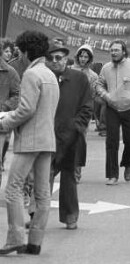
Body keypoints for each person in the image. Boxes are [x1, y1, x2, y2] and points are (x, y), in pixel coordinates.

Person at [0, 31, 59, 255]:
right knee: (42, 193)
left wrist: (5, 122)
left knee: (13, 189)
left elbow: (26, 109)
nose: (19, 56)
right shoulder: (51, 74)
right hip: (47, 139)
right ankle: (34, 242)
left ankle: (15, 237)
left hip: (30, 139)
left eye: (19, 52)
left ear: (25, 52)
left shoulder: (31, 74)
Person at [46, 40, 92, 229]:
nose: (56, 61)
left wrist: (76, 127)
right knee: (43, 178)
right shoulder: (44, 78)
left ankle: (70, 216)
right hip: (47, 136)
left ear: (66, 59)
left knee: (68, 177)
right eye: (51, 58)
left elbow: (87, 107)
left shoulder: (79, 79)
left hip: (71, 137)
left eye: (59, 57)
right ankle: (36, 216)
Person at [96, 39, 130, 185]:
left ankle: (128, 163)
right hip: (112, 109)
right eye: (112, 50)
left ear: (124, 51)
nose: (113, 53)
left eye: (116, 50)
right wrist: (107, 96)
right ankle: (112, 175)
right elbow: (99, 85)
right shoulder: (106, 68)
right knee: (111, 142)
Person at [71, 44, 98, 183]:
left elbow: (92, 95)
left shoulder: (93, 76)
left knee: (79, 142)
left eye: (86, 57)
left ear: (90, 59)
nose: (83, 59)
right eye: (81, 56)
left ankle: (77, 172)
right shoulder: (68, 71)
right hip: (68, 111)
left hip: (83, 113)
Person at [0, 39, 20, 174]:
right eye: (5, 51)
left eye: (9, 51)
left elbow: (17, 95)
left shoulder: (11, 72)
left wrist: (3, 107)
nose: (8, 54)